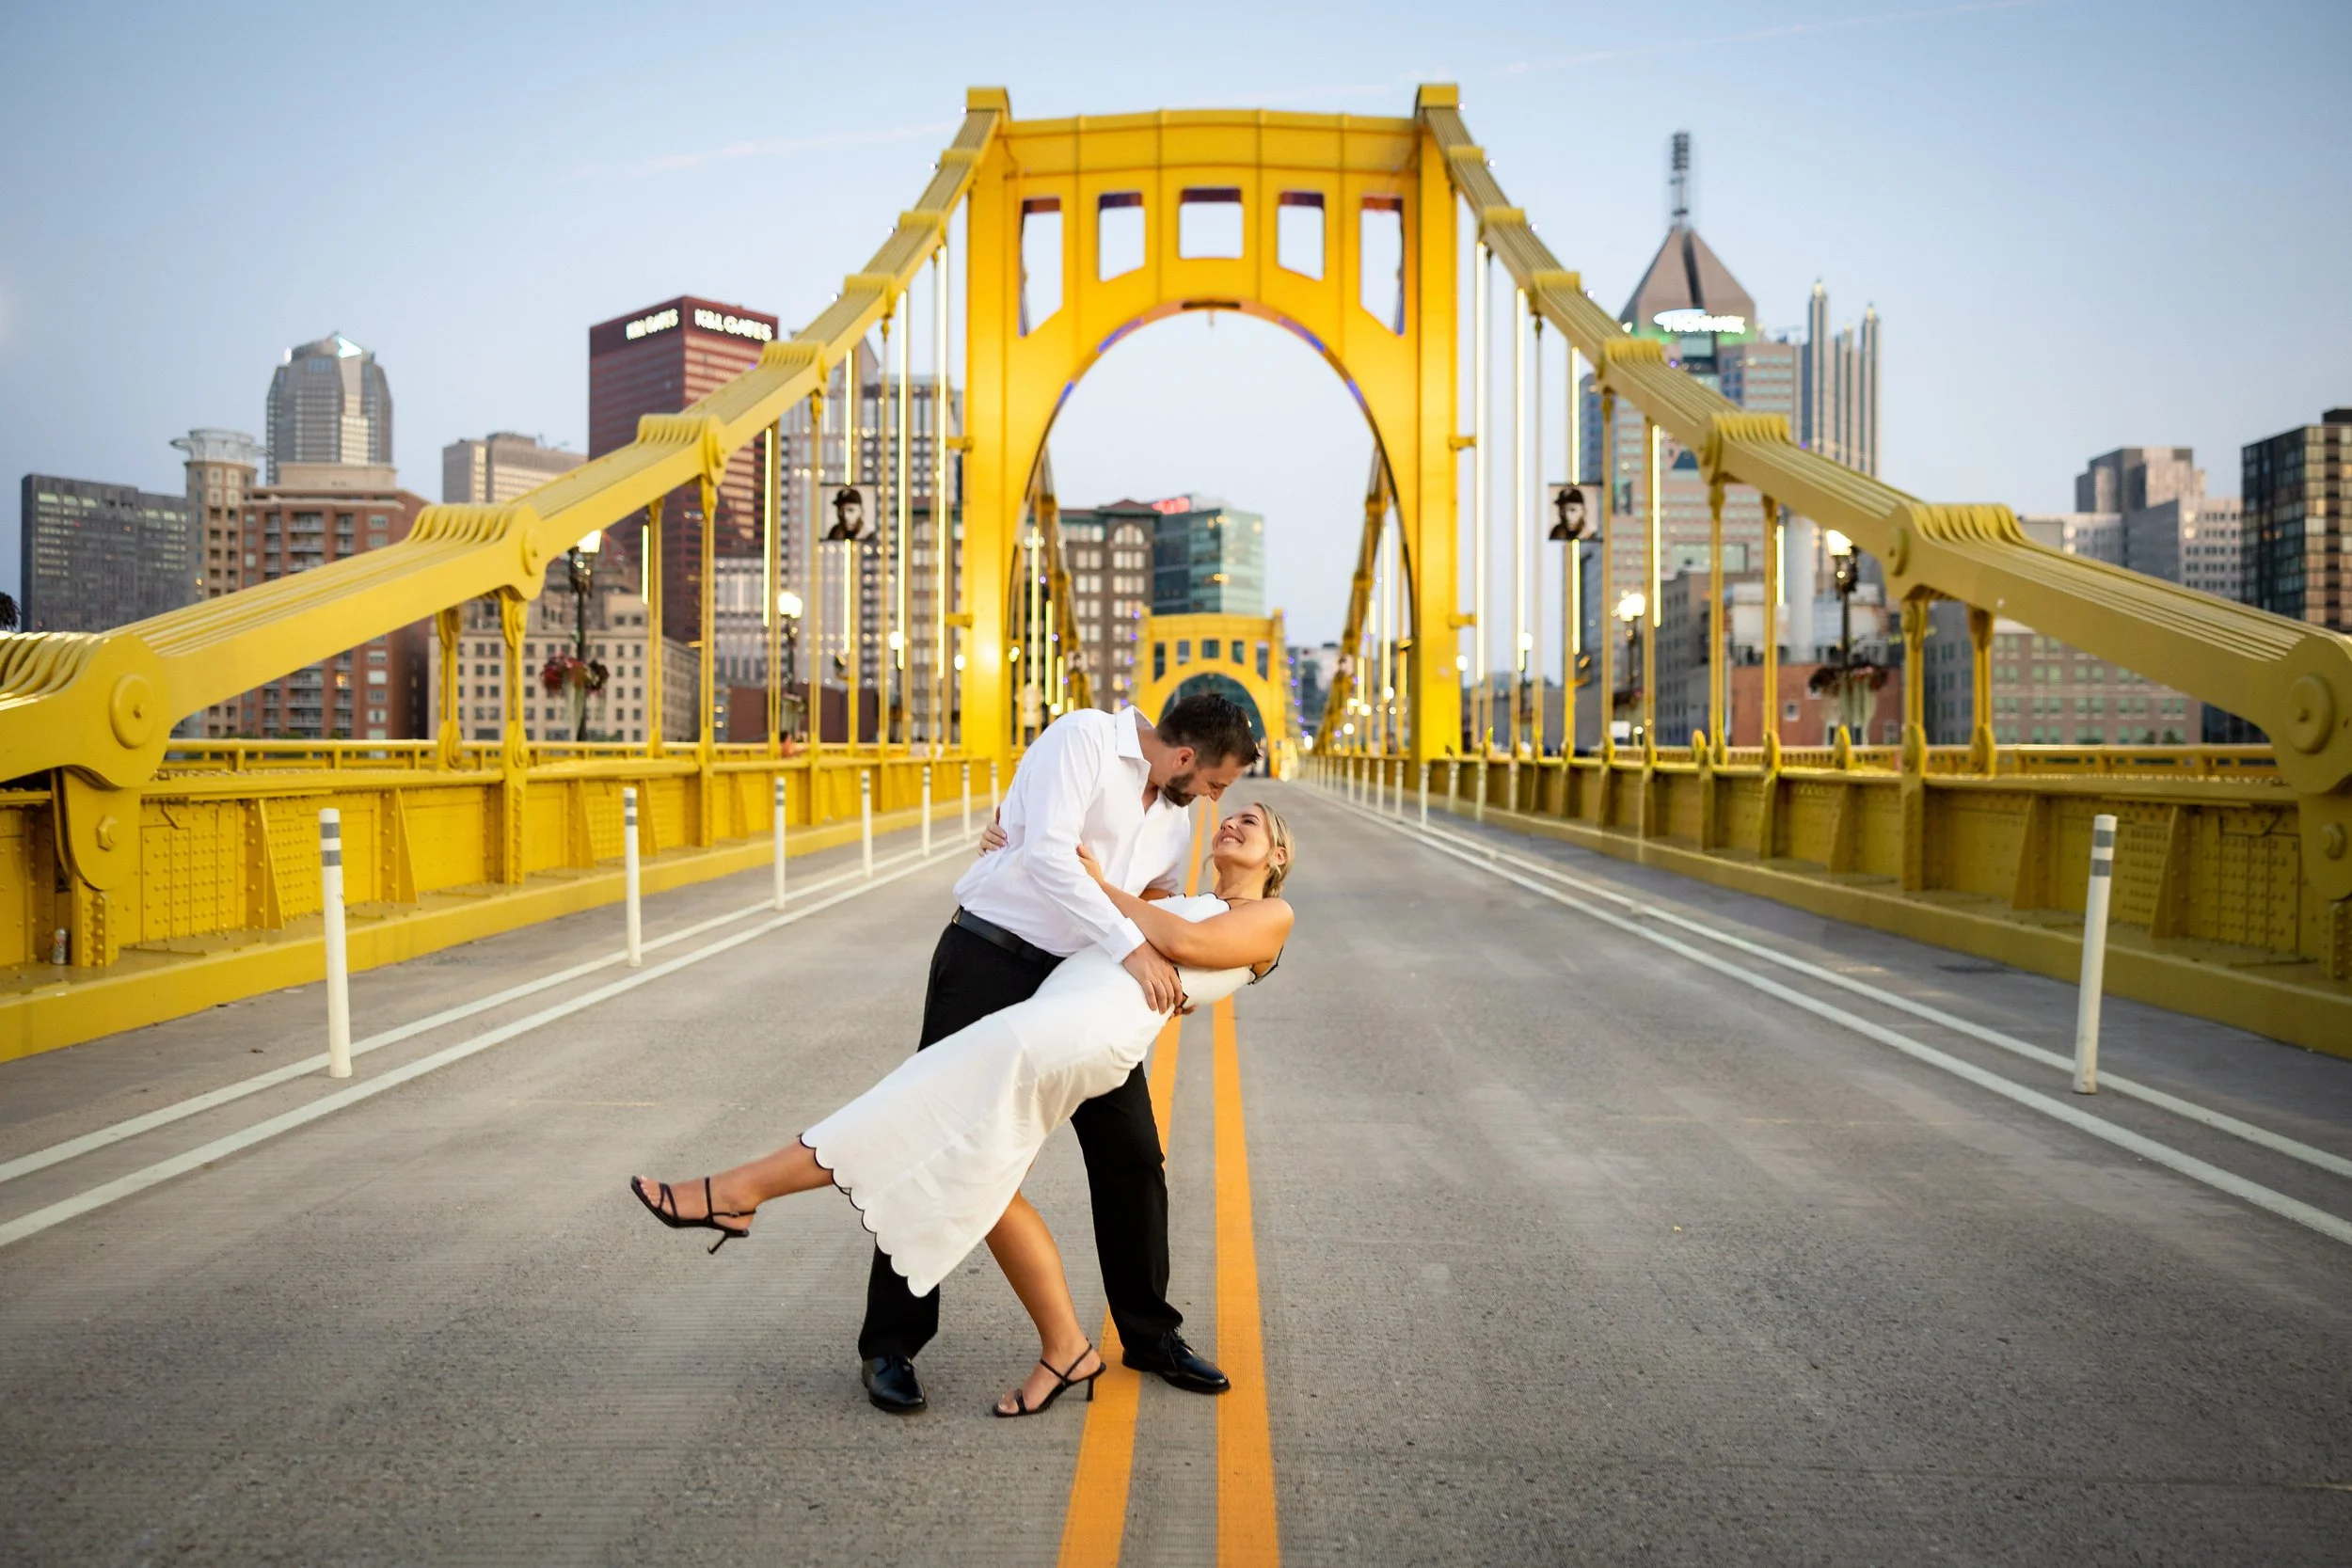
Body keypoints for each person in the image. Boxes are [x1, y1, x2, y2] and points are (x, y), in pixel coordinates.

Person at [634, 694, 1261, 1413]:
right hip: (992, 957)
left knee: (1132, 1158)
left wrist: (1153, 941)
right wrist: (1114, 931)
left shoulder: (1174, 819)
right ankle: (891, 1344)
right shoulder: (1086, 737)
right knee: (932, 1137)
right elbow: (1054, 860)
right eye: (1217, 783)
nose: (1217, 799)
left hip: (1077, 993)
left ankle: (1149, 1334)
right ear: (1185, 758)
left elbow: (1154, 895)